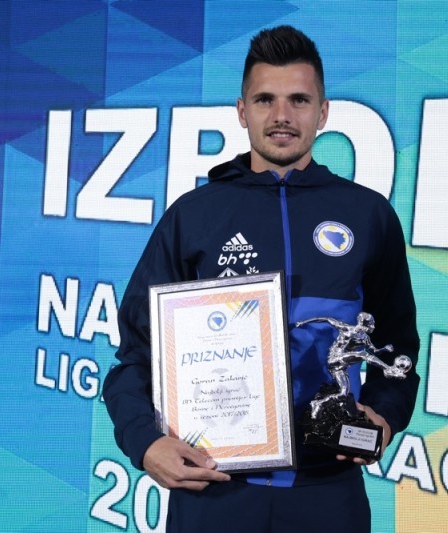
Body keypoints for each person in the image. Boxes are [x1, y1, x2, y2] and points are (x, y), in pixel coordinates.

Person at [102, 25, 419, 533]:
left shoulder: (368, 215)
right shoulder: (194, 216)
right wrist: (145, 442)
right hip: (215, 489)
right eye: (265, 99)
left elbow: (396, 346)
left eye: (299, 100)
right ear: (242, 110)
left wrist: (384, 415)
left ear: (323, 112)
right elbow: (138, 354)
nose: (282, 115)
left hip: (328, 492)